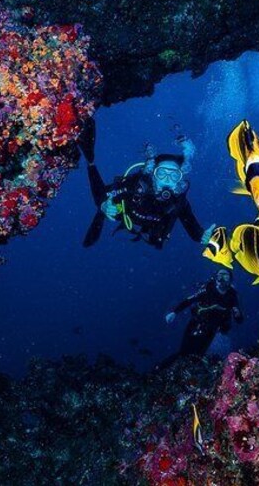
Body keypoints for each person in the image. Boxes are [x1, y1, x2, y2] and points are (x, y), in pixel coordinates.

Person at [79, 118, 215, 249]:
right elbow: (102, 194)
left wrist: (202, 236)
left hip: (152, 231)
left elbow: (192, 227)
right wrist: (104, 205)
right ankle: (91, 164)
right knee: (105, 207)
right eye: (161, 173)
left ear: (179, 180)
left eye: (174, 175)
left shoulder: (179, 202)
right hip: (125, 214)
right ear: (153, 175)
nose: (167, 179)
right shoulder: (138, 185)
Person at [161, 269, 243, 364]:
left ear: (230, 280)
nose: (222, 278)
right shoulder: (208, 289)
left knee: (199, 355)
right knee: (184, 352)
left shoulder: (232, 295)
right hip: (196, 322)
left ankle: (193, 367)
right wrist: (174, 312)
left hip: (212, 328)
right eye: (219, 275)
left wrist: (237, 314)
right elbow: (189, 300)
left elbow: (239, 319)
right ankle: (169, 366)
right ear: (216, 278)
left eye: (226, 275)